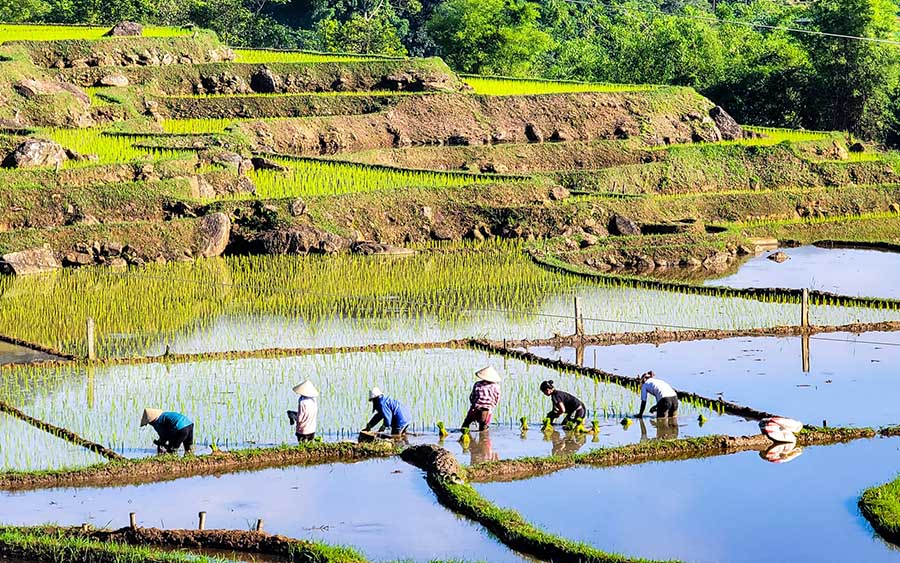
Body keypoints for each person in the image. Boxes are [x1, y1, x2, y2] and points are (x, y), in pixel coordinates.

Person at [462, 366, 502, 431]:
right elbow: (497, 398)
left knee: (466, 423)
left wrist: (474, 404)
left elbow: (472, 397)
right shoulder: (496, 387)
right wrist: (492, 405)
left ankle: (464, 436)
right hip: (487, 409)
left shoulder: (477, 384)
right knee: (483, 426)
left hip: (475, 407)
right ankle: (483, 439)